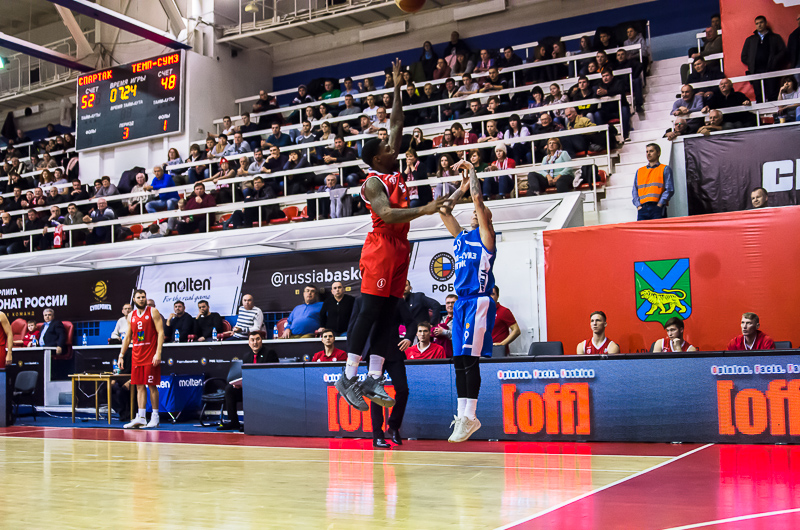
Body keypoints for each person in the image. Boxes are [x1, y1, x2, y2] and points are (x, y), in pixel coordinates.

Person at [334, 59, 449, 413]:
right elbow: (386, 214)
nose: (391, 147)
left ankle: (373, 377)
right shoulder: (373, 182)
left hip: (400, 247)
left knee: (389, 315)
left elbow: (397, 123)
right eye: (385, 148)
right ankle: (347, 377)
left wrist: (397, 87)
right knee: (369, 311)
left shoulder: (392, 167)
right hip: (381, 246)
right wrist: (425, 210)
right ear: (375, 158)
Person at [438, 158, 496, 442]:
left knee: (471, 360)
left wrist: (472, 171)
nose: (474, 213)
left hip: (478, 301)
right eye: (473, 213)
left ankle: (471, 416)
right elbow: (444, 210)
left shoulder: (486, 237)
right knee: (459, 360)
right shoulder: (461, 237)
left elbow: (478, 199)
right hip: (461, 304)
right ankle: (463, 416)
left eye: (479, 213)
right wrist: (460, 187)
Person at [119, 289, 165, 429]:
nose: (141, 299)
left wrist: (158, 353)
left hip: (150, 354)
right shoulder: (131, 315)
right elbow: (128, 337)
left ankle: (155, 417)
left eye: (143, 297)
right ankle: (141, 417)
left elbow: (161, 332)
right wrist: (121, 355)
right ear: (134, 299)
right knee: (139, 386)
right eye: (139, 297)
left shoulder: (153, 311)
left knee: (151, 386)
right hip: (137, 355)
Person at [217, 331, 278, 431]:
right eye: (252, 340)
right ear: (249, 343)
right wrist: (240, 384)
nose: (255, 342)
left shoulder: (269, 353)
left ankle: (251, 423)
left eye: (257, 339)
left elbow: (273, 374)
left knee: (252, 392)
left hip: (265, 389)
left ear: (262, 340)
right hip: (249, 388)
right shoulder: (247, 356)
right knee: (230, 389)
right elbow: (246, 374)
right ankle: (233, 422)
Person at [741, 16, 787, 102]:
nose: (759, 25)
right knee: (759, 95)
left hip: (771, 70)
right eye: (757, 23)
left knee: (773, 94)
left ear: (765, 23)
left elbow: (783, 52)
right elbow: (743, 56)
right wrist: (752, 63)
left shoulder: (775, 37)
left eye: (761, 22)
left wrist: (774, 61)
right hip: (756, 71)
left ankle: (774, 111)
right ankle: (760, 111)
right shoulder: (750, 40)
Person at [632, 143, 674, 221]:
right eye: (647, 151)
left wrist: (660, 204)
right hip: (642, 208)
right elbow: (635, 190)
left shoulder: (665, 169)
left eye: (651, 151)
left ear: (658, 153)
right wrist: (638, 206)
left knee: (658, 229)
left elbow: (669, 189)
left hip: (657, 207)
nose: (648, 154)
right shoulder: (640, 171)